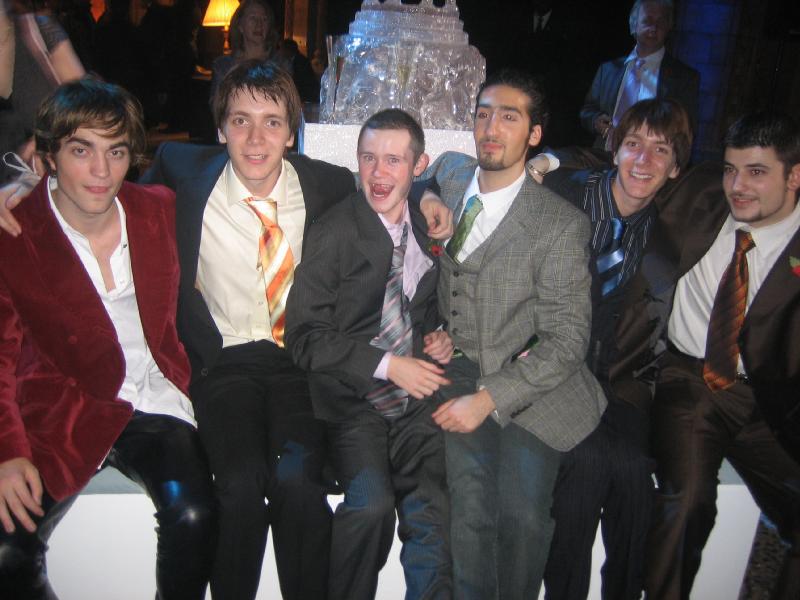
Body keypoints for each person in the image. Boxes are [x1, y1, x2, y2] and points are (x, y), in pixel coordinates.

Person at [0, 60, 452, 600]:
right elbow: (98, 185)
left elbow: (387, 181)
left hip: (297, 361)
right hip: (222, 364)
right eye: (240, 121)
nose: (256, 139)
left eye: (272, 123)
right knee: (236, 486)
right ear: (220, 129)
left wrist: (427, 194)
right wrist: (21, 185)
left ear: (291, 133)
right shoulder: (182, 175)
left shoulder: (326, 183)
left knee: (298, 483)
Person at [0, 78, 216, 599]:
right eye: (82, 151)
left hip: (154, 402)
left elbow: (239, 172)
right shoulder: (15, 233)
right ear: (49, 157)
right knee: (6, 553)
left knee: (194, 514)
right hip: (61, 411)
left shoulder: (158, 210)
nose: (102, 171)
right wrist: (7, 451)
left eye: (116, 152)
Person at [422, 68, 607, 599]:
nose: (491, 128)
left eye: (509, 117)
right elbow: (422, 173)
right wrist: (425, 197)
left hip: (536, 379)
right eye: (483, 114)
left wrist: (489, 398)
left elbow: (567, 339)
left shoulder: (558, 224)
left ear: (534, 134)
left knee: (522, 515)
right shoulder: (453, 177)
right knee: (471, 506)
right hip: (461, 365)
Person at [528, 98, 692, 600]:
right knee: (587, 465)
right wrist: (551, 157)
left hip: (612, 378)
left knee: (636, 476)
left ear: (675, 167)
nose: (643, 160)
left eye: (660, 151)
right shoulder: (562, 193)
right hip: (547, 363)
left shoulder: (665, 233)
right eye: (633, 144)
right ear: (614, 149)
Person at [286, 108, 453, 599]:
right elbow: (304, 335)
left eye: (393, 160)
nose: (378, 173)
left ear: (418, 166)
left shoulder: (425, 225)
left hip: (415, 402)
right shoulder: (334, 231)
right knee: (370, 506)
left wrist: (438, 335)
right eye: (368, 158)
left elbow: (420, 307)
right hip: (354, 399)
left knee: (435, 509)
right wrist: (389, 365)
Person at [642, 111, 800, 599]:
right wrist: (544, 162)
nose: (738, 186)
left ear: (794, 176)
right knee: (687, 503)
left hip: (769, 402)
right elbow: (623, 161)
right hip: (690, 382)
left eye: (757, 172)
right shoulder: (701, 193)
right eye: (731, 169)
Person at [580, 0, 698, 149]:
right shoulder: (608, 70)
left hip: (650, 159)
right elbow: (587, 111)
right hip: (604, 154)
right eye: (647, 21)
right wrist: (596, 122)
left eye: (660, 22)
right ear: (634, 25)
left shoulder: (684, 78)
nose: (653, 28)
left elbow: (686, 131)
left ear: (669, 27)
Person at [209, 0, 287, 105]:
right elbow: (217, 106)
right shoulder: (223, 65)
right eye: (253, 18)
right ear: (240, 26)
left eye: (264, 19)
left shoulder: (281, 64)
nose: (259, 24)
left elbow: (287, 103)